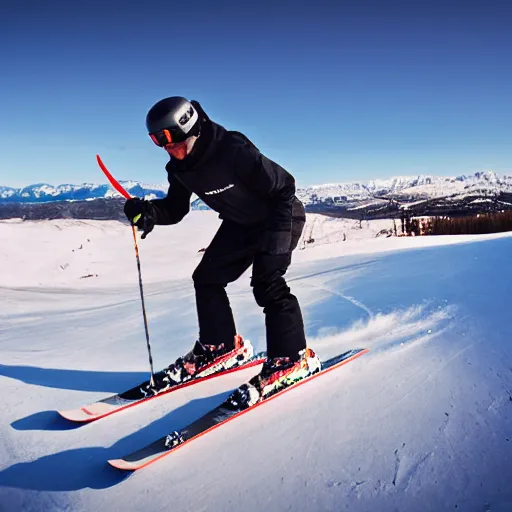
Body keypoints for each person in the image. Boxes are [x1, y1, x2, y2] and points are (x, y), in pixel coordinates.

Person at [124, 96, 320, 400]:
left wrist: (276, 241)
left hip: (280, 215)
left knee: (268, 284)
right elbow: (176, 209)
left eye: (172, 143)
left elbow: (285, 187)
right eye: (161, 145)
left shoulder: (232, 150)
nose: (169, 151)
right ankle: (220, 346)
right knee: (207, 278)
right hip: (242, 223)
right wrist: (149, 212)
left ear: (190, 129)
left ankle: (292, 358)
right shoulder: (179, 168)